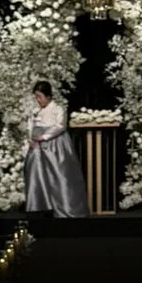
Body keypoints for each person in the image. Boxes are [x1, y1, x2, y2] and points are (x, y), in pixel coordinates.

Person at [24, 81, 89, 218]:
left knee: (58, 175)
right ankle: (40, 206)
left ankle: (63, 208)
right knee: (37, 175)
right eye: (36, 97)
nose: (38, 100)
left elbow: (60, 126)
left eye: (40, 97)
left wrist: (44, 136)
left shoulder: (58, 109)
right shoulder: (36, 111)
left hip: (54, 145)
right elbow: (30, 125)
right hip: (37, 147)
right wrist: (30, 138)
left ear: (48, 96)